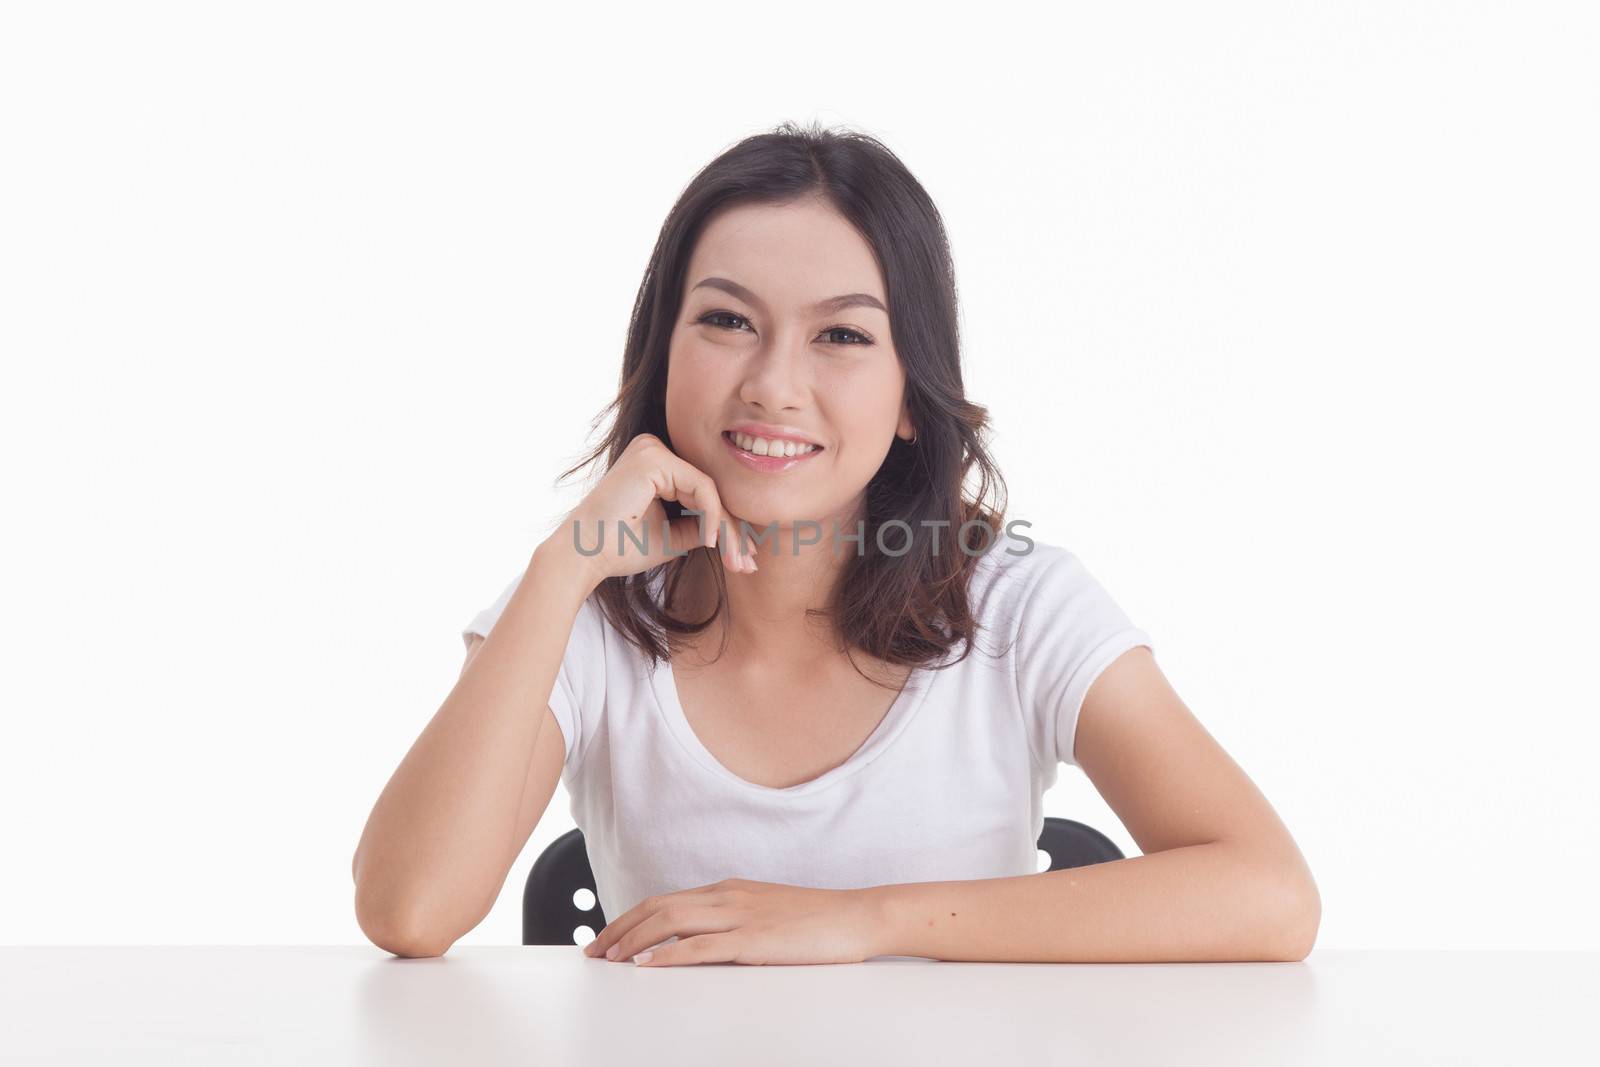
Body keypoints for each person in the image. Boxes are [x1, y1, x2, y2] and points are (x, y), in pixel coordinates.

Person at [351, 120, 1320, 966]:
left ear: (911, 394)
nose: (773, 383)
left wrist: (858, 920)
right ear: (662, 354)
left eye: (842, 337)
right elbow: (410, 909)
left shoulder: (1024, 606)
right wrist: (559, 568)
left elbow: (1270, 894)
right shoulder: (582, 613)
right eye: (727, 320)